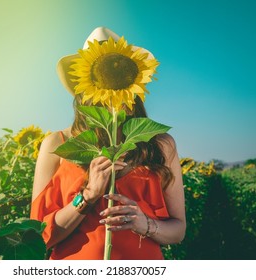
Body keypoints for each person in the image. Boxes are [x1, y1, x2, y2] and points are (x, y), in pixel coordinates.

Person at [30, 27, 186, 260]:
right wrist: (88, 195)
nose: (110, 87)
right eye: (101, 77)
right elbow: (38, 237)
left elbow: (178, 230)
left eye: (117, 75)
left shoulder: (159, 144)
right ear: (85, 86)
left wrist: (145, 224)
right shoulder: (58, 144)